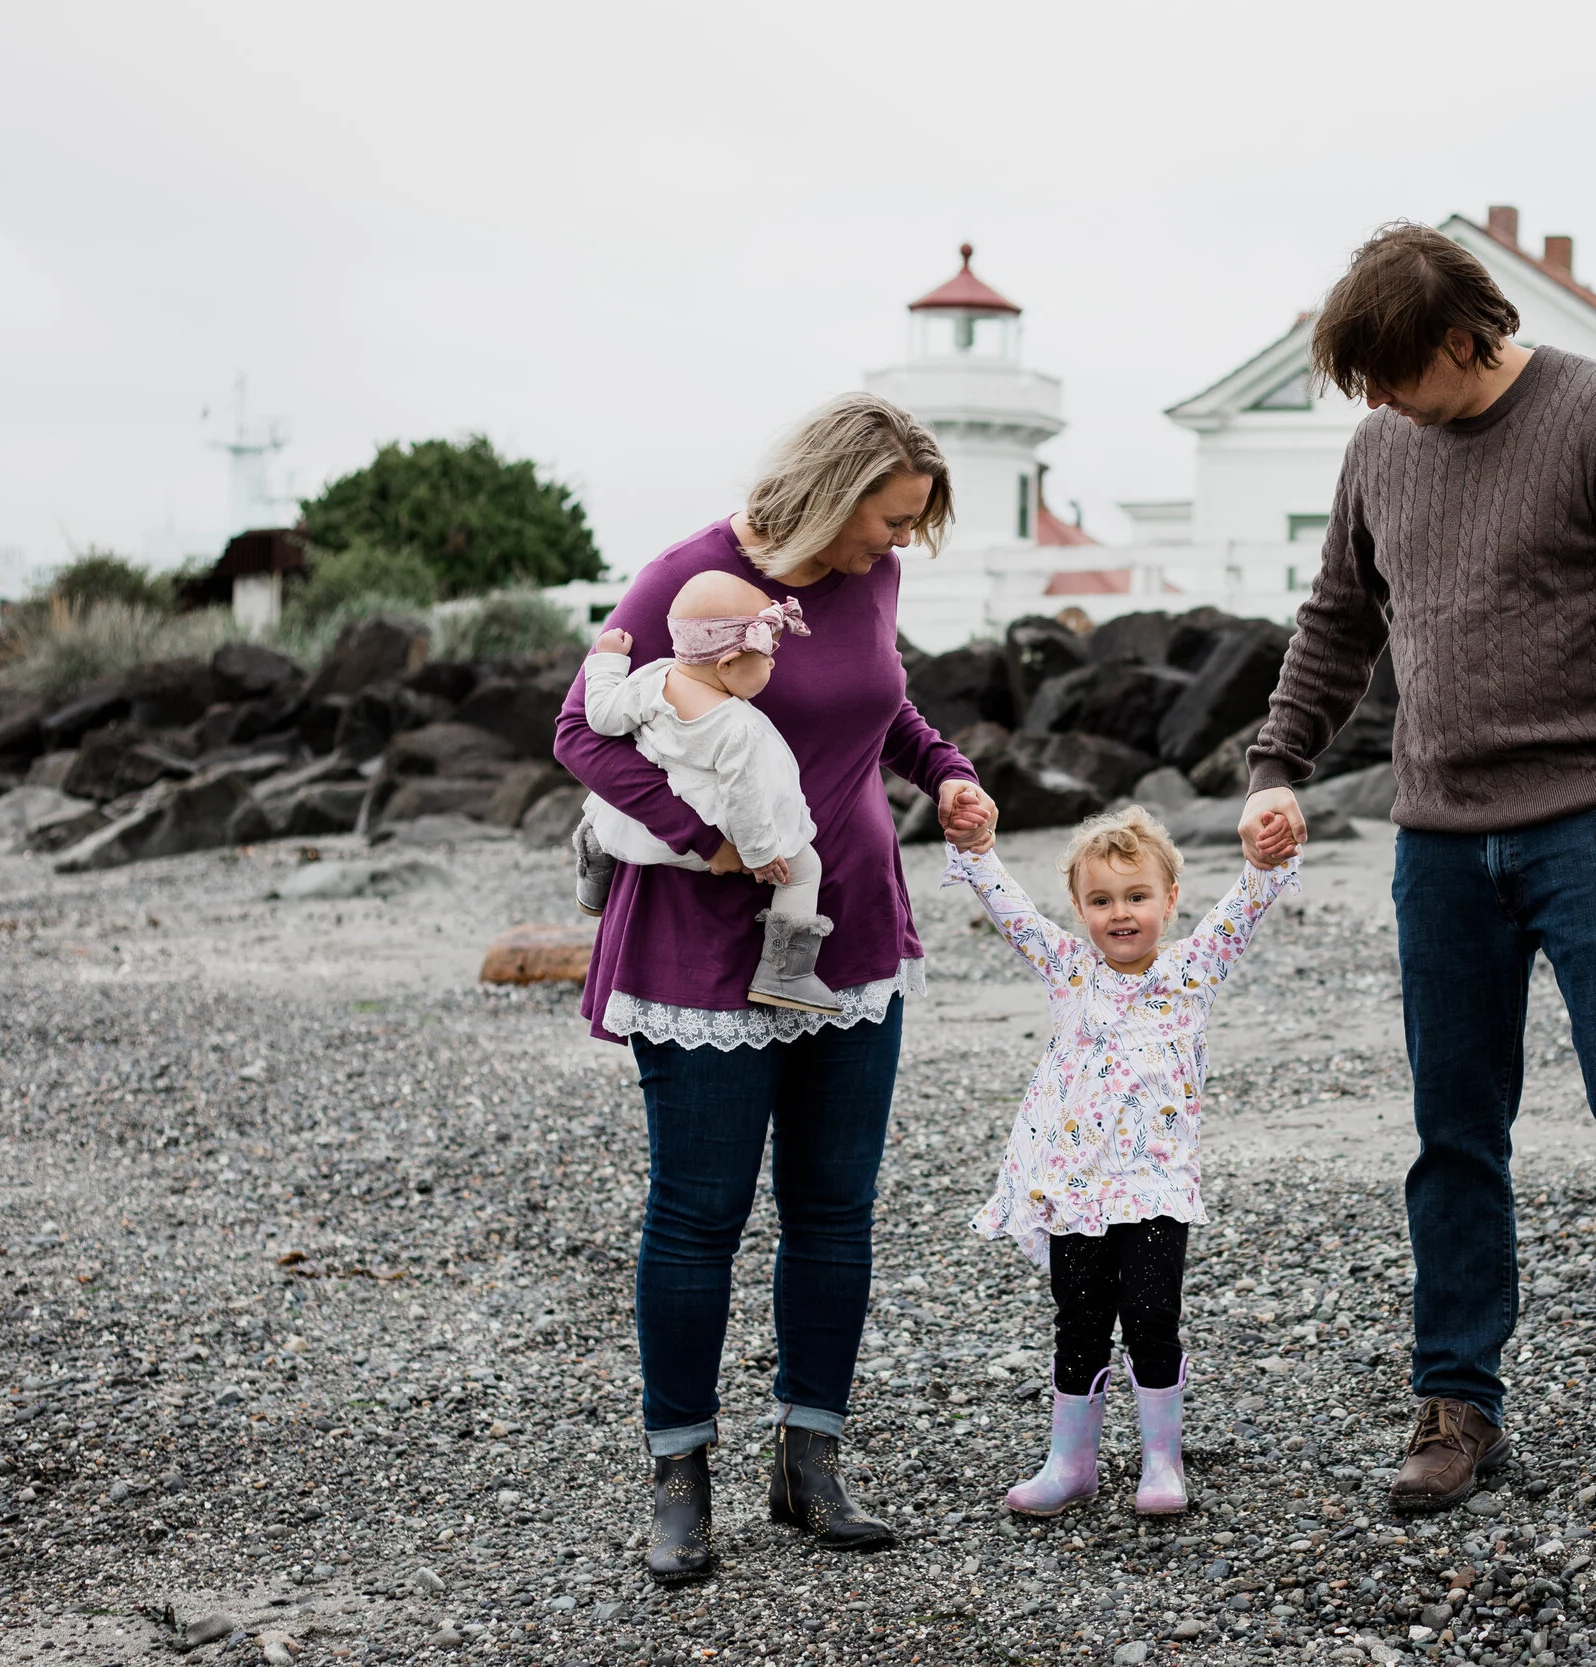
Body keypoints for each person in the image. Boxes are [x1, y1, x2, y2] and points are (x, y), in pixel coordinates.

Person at [1237, 222, 1596, 1514]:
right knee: (1452, 1129)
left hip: (1595, 831)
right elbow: (1339, 620)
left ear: (1466, 338)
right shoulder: (1380, 448)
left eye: (1388, 370)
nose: (1371, 400)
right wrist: (1274, 761)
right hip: (1437, 841)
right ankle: (1457, 1402)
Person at [551, 393, 1000, 1586]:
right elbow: (582, 732)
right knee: (699, 1213)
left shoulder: (874, 575)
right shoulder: (682, 580)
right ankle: (679, 1476)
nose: (894, 545)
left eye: (910, 526)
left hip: (845, 923)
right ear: (831, 489)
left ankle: (811, 1461)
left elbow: (880, 703)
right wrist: (702, 842)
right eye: (887, 519)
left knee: (834, 1205)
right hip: (701, 941)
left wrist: (945, 770)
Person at [950, 805, 1299, 1519]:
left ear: (1170, 900)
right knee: (1078, 1319)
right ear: (1079, 908)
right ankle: (1070, 1462)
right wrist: (979, 850)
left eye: (1137, 896)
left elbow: (1244, 905)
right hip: (1077, 1191)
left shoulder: (1192, 970)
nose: (1121, 913)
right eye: (1101, 900)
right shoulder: (1070, 969)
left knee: (1150, 1316)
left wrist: (1263, 860)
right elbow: (1011, 910)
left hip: (1158, 1189)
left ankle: (1161, 1460)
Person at [574, 570, 840, 1013]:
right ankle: (784, 973)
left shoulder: (651, 679)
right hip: (712, 836)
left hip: (648, 823)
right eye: (767, 654)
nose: (774, 661)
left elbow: (600, 716)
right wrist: (759, 854)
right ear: (727, 665)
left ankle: (593, 878)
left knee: (605, 802)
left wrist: (606, 660)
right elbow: (745, 800)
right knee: (805, 867)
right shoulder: (737, 728)